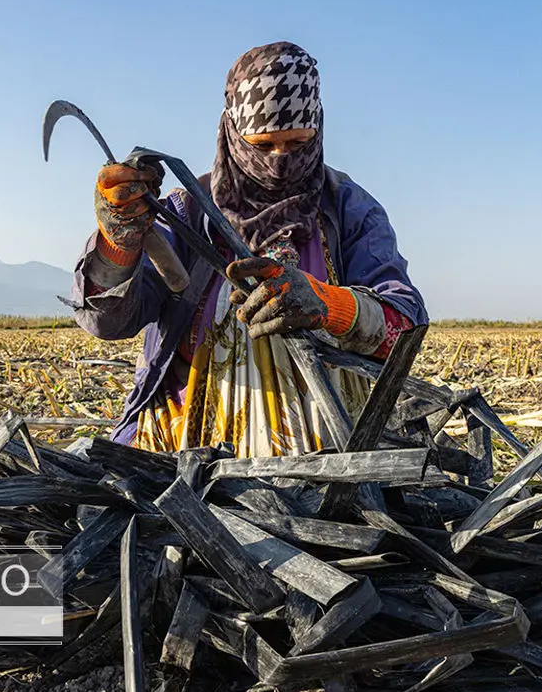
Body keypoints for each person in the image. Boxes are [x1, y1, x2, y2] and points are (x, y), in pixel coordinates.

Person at [68, 41, 427, 457]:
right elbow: (109, 322)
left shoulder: (349, 210)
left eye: (297, 144)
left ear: (319, 129)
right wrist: (119, 239)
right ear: (233, 134)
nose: (279, 160)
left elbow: (404, 324)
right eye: (262, 145)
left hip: (327, 451)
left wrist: (327, 305)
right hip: (187, 449)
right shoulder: (186, 213)